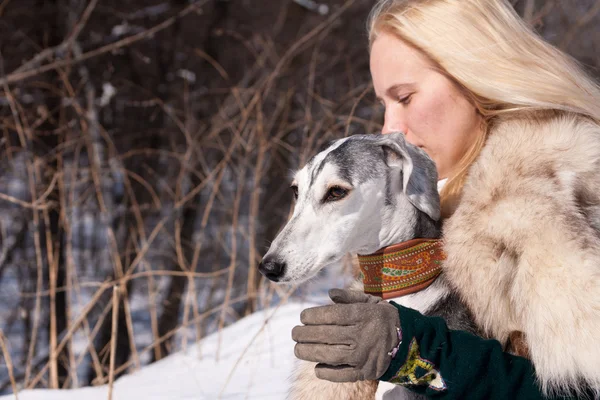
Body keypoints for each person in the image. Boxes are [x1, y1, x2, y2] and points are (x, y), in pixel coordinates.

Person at [291, 0, 600, 399]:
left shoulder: (550, 204)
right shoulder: (428, 210)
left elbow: (578, 393)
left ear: (475, 79)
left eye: (404, 97)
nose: (389, 129)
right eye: (382, 104)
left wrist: (419, 356)